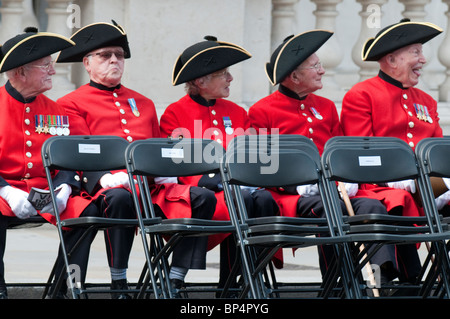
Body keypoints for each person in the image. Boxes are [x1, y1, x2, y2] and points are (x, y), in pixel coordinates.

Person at [56, 21, 217, 298]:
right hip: (104, 189)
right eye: (105, 55)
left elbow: (156, 146)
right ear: (87, 63)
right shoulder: (72, 102)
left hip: (148, 187)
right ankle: (119, 282)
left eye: (119, 54)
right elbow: (80, 153)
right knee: (120, 198)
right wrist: (106, 177)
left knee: (203, 197)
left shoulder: (143, 103)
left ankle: (175, 280)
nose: (115, 60)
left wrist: (166, 171)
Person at [248, 30, 401, 289]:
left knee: (372, 208)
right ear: (294, 76)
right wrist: (299, 185)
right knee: (333, 209)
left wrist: (345, 178)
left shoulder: (326, 106)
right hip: (291, 196)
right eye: (315, 66)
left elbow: (339, 152)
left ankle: (383, 278)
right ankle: (336, 284)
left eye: (320, 64)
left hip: (331, 191)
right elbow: (263, 165)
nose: (322, 70)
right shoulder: (262, 111)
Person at [160, 36, 280, 296]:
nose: (230, 79)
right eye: (222, 73)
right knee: (242, 201)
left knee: (262, 200)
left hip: (235, 188)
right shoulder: (175, 113)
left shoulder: (237, 112)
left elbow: (250, 154)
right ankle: (198, 278)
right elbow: (179, 162)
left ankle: (242, 278)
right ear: (199, 81)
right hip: (200, 191)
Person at [341, 19, 449, 286]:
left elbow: (436, 155)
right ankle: (392, 280)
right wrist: (396, 176)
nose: (423, 59)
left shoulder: (426, 101)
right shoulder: (362, 95)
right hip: (379, 186)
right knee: (396, 199)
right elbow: (360, 152)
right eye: (416, 52)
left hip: (424, 187)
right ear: (391, 59)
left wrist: (441, 184)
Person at [0, 27, 95, 299]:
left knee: (85, 212)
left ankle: (66, 288)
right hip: (4, 192)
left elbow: (66, 157)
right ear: (20, 72)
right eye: (45, 65)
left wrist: (65, 187)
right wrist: (5, 190)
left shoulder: (55, 110)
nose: (53, 71)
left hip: (48, 193)